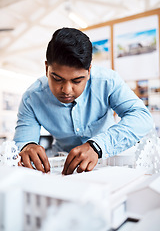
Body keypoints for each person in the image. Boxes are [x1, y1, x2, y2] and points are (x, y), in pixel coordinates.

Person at [14, 27, 153, 175]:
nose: (66, 90)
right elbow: (23, 141)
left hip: (108, 158)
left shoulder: (108, 81)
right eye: (57, 79)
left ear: (89, 72)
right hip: (61, 166)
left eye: (77, 80)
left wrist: (98, 146)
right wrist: (27, 146)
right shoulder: (31, 98)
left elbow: (142, 118)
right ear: (46, 68)